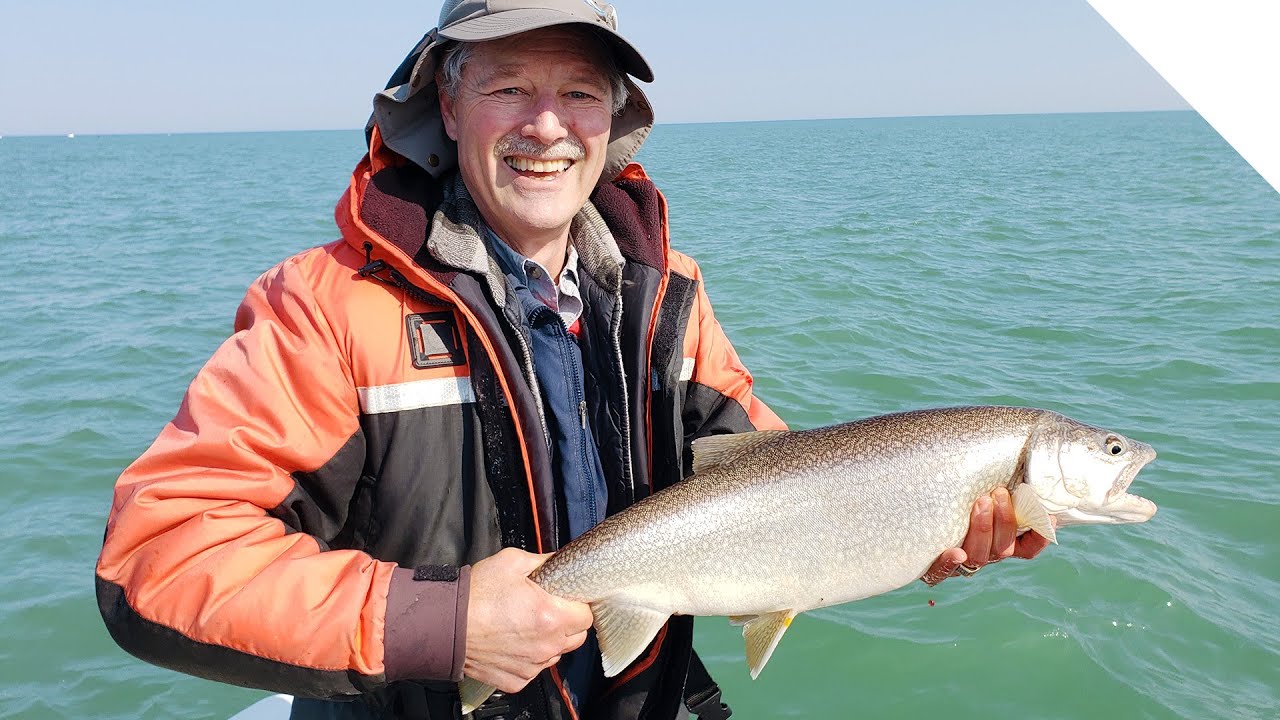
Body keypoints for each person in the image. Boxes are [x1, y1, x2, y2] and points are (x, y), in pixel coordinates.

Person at [95, 2, 1050, 719]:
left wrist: (904, 528)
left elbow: (767, 471)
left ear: (614, 121)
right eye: (509, 85)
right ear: (447, 103)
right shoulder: (327, 306)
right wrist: (449, 622)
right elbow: (158, 559)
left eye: (580, 92)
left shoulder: (666, 293)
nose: (546, 125)